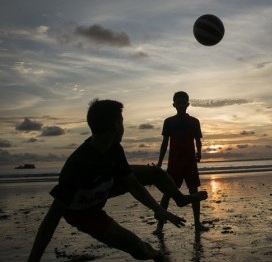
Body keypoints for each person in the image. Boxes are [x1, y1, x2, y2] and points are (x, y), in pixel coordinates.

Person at [28, 99, 207, 262]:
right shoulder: (78, 166)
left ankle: (180, 199)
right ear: (114, 126)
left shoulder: (114, 148)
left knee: (156, 173)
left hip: (108, 185)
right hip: (85, 213)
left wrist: (158, 209)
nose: (123, 127)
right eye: (121, 122)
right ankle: (156, 256)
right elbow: (50, 220)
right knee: (140, 250)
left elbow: (133, 185)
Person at [155, 91, 209, 234]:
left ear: (188, 104)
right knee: (167, 194)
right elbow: (165, 143)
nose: (181, 105)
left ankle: (197, 224)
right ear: (174, 105)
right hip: (174, 163)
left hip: (190, 162)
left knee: (194, 192)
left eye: (183, 103)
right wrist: (160, 162)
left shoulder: (194, 122)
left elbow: (198, 140)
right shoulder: (169, 122)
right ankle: (159, 227)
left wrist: (199, 152)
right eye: (178, 103)